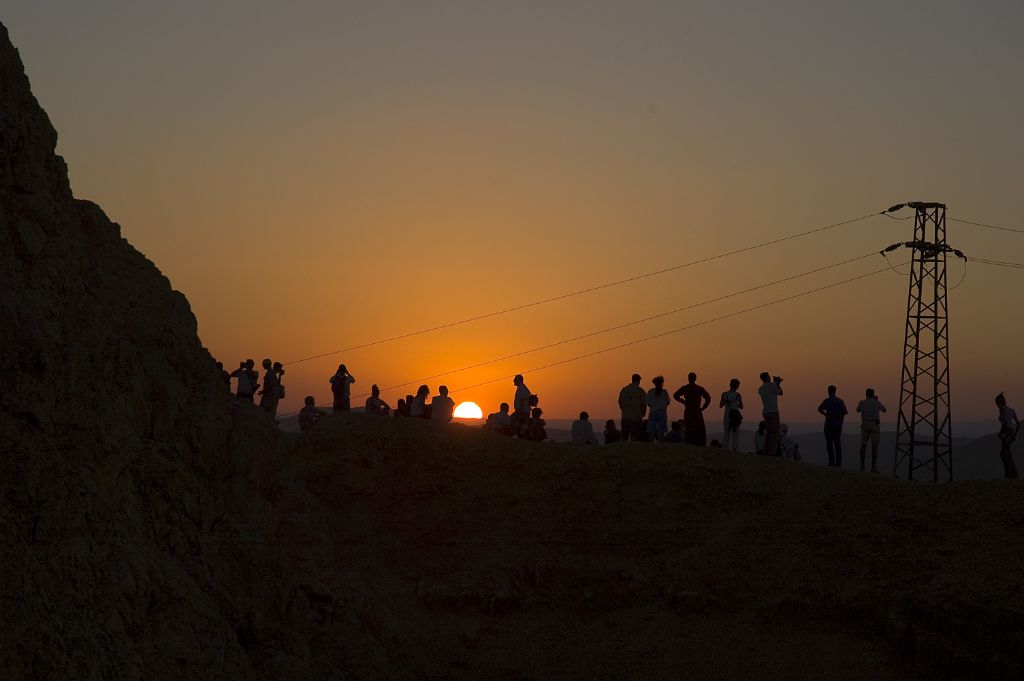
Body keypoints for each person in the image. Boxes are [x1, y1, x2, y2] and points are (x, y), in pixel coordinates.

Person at [673, 373, 711, 447]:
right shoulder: (699, 388)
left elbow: (675, 395)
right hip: (697, 411)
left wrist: (683, 401)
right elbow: (708, 398)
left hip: (689, 411)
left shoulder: (685, 388)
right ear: (695, 379)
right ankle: (699, 444)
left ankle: (690, 443)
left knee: (689, 428)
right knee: (699, 428)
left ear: (688, 378)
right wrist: (703, 407)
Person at [856, 388, 887, 473]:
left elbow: (857, 410)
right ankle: (873, 467)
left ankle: (862, 467)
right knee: (874, 447)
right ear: (873, 394)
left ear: (866, 394)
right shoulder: (876, 403)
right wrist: (876, 401)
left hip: (865, 424)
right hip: (874, 424)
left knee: (863, 445)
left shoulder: (862, 402)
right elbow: (884, 409)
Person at [817, 385, 848, 468]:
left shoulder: (827, 401)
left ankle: (831, 461)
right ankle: (838, 463)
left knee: (829, 444)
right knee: (837, 444)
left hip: (829, 424)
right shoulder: (840, 401)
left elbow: (819, 409)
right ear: (835, 391)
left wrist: (826, 415)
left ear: (828, 391)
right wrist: (841, 422)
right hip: (838, 425)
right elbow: (845, 412)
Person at [758, 372, 784, 457]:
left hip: (766, 411)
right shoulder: (772, 385)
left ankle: (766, 451)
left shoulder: (761, 388)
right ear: (767, 377)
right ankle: (771, 453)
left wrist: (775, 383)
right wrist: (777, 384)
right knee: (774, 433)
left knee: (768, 433)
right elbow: (781, 393)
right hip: (773, 411)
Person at [996, 393, 1020, 479]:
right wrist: (1014, 435)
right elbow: (1018, 424)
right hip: (1010, 432)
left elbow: (1005, 423)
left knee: (1004, 453)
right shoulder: (1011, 410)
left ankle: (1010, 473)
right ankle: (1012, 472)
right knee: (1006, 453)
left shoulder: (1002, 410)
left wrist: (1001, 433)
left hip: (1006, 432)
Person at [617, 373, 647, 442]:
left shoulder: (624, 390)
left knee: (624, 435)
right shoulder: (640, 391)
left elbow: (620, 402)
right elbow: (644, 404)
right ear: (638, 381)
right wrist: (643, 414)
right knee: (635, 436)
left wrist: (624, 410)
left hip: (625, 416)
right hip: (636, 417)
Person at [719, 379, 743, 451]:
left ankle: (725, 447)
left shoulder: (724, 394)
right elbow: (741, 407)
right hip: (735, 415)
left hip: (727, 415)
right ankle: (734, 448)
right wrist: (736, 404)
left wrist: (726, 402)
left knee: (726, 432)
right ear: (737, 386)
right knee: (736, 432)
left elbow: (721, 405)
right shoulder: (738, 395)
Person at [646, 376, 671, 441]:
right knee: (661, 431)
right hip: (662, 412)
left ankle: (650, 444)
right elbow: (668, 402)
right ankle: (661, 443)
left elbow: (648, 403)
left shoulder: (650, 392)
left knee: (651, 431)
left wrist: (654, 406)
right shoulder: (664, 392)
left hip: (653, 412)